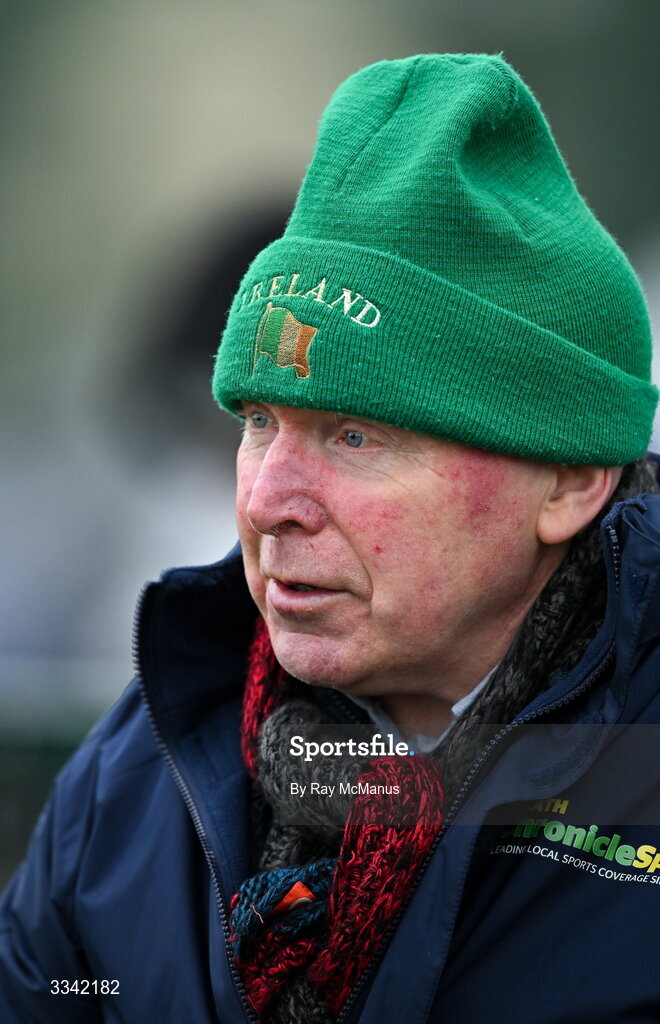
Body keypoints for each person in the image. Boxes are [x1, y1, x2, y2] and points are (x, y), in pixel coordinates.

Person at [1, 53, 659, 1024]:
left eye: (355, 435)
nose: (268, 500)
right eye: (257, 422)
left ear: (566, 478)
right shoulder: (135, 779)